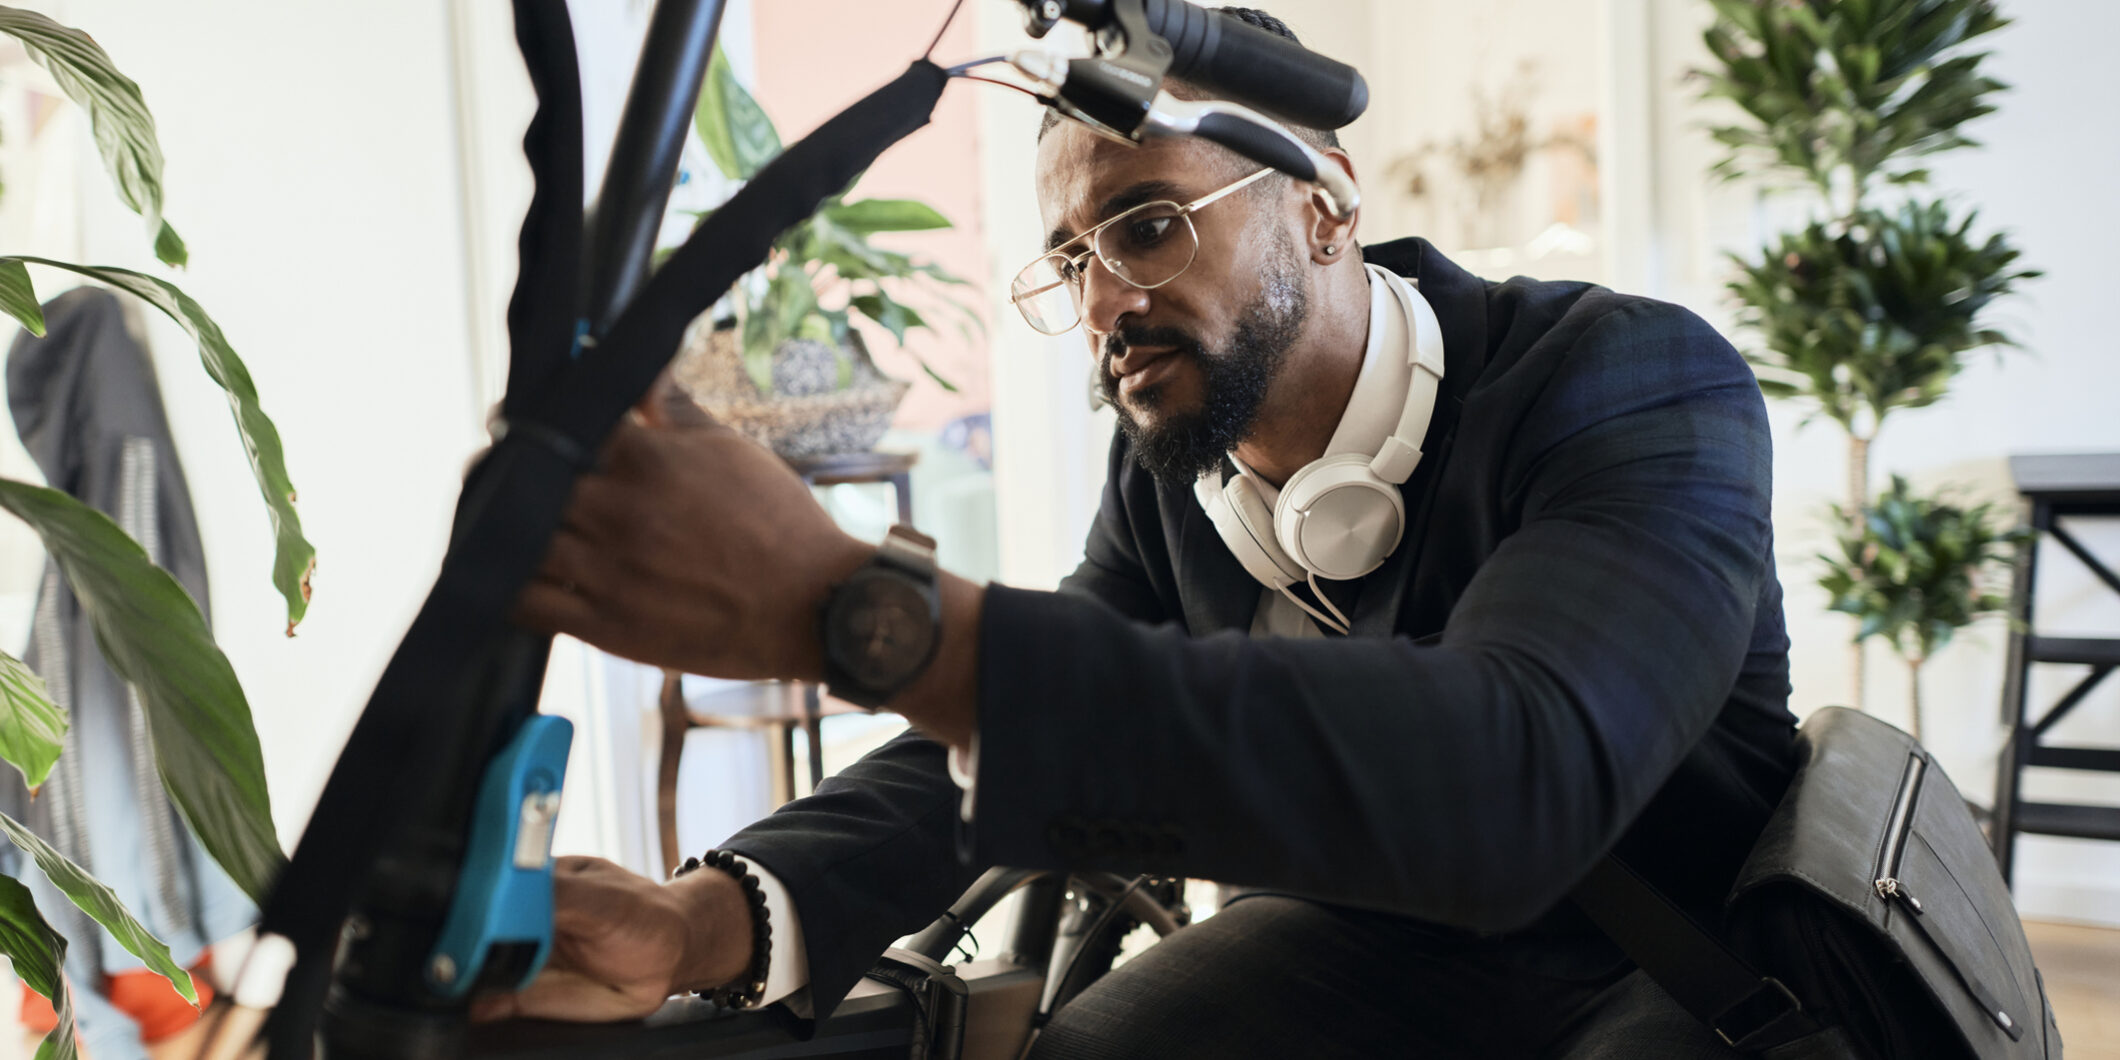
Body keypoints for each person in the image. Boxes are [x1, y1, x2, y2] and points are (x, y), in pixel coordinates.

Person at [485, 10, 1795, 1055]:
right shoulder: (1171, 477)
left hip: (1682, 958)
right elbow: (993, 747)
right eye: (1071, 258)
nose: (1106, 299)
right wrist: (705, 919)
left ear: (1327, 205)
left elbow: (1517, 784)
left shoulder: (1635, 382)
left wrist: (865, 614)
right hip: (1383, 951)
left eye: (1149, 225)